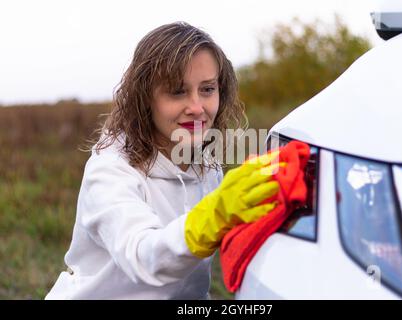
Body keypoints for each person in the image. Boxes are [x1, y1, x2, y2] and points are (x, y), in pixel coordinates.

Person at [46, 21, 281, 300]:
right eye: (177, 91)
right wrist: (215, 215)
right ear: (145, 98)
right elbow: (143, 257)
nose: (197, 108)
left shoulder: (207, 165)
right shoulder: (110, 170)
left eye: (207, 89)